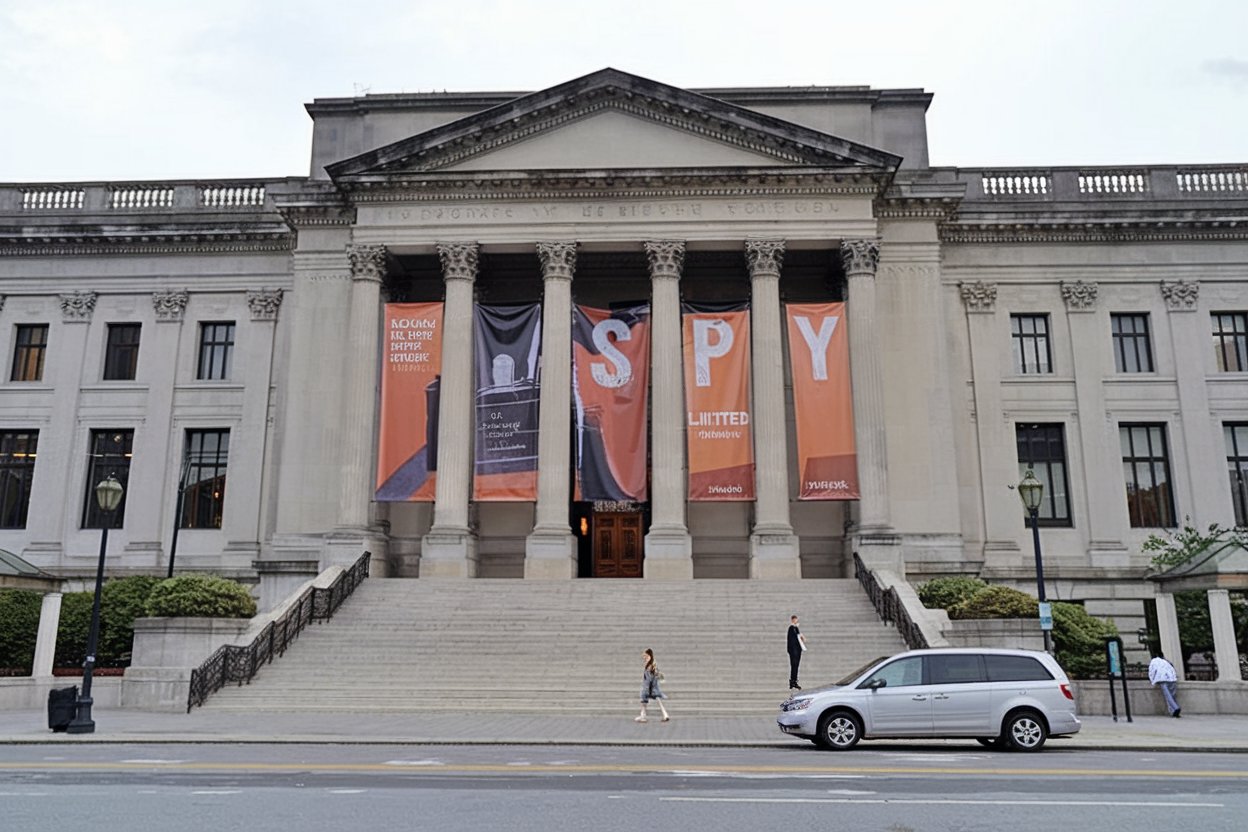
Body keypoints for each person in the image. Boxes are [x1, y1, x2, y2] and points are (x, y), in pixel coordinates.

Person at [636, 648, 670, 723]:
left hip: (649, 687)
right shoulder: (653, 664)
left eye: (645, 656)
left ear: (649, 655)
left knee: (644, 702)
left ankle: (643, 716)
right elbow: (657, 675)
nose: (644, 657)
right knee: (655, 701)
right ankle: (665, 714)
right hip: (653, 687)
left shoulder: (649, 666)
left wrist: (647, 688)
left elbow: (649, 678)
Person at [1148, 652, 1181, 718]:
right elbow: (1172, 668)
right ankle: (1173, 711)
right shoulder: (1166, 661)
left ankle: (1175, 708)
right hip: (1172, 678)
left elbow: (1152, 671)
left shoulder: (1154, 661)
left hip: (1162, 678)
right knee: (1172, 695)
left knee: (1168, 695)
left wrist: (1152, 681)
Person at [787, 614, 807, 691]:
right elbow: (791, 641)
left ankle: (794, 680)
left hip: (797, 650)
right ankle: (792, 681)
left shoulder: (796, 628)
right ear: (792, 620)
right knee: (794, 665)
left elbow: (798, 638)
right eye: (794, 619)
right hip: (794, 651)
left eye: (796, 619)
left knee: (796, 666)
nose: (795, 621)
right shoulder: (791, 628)